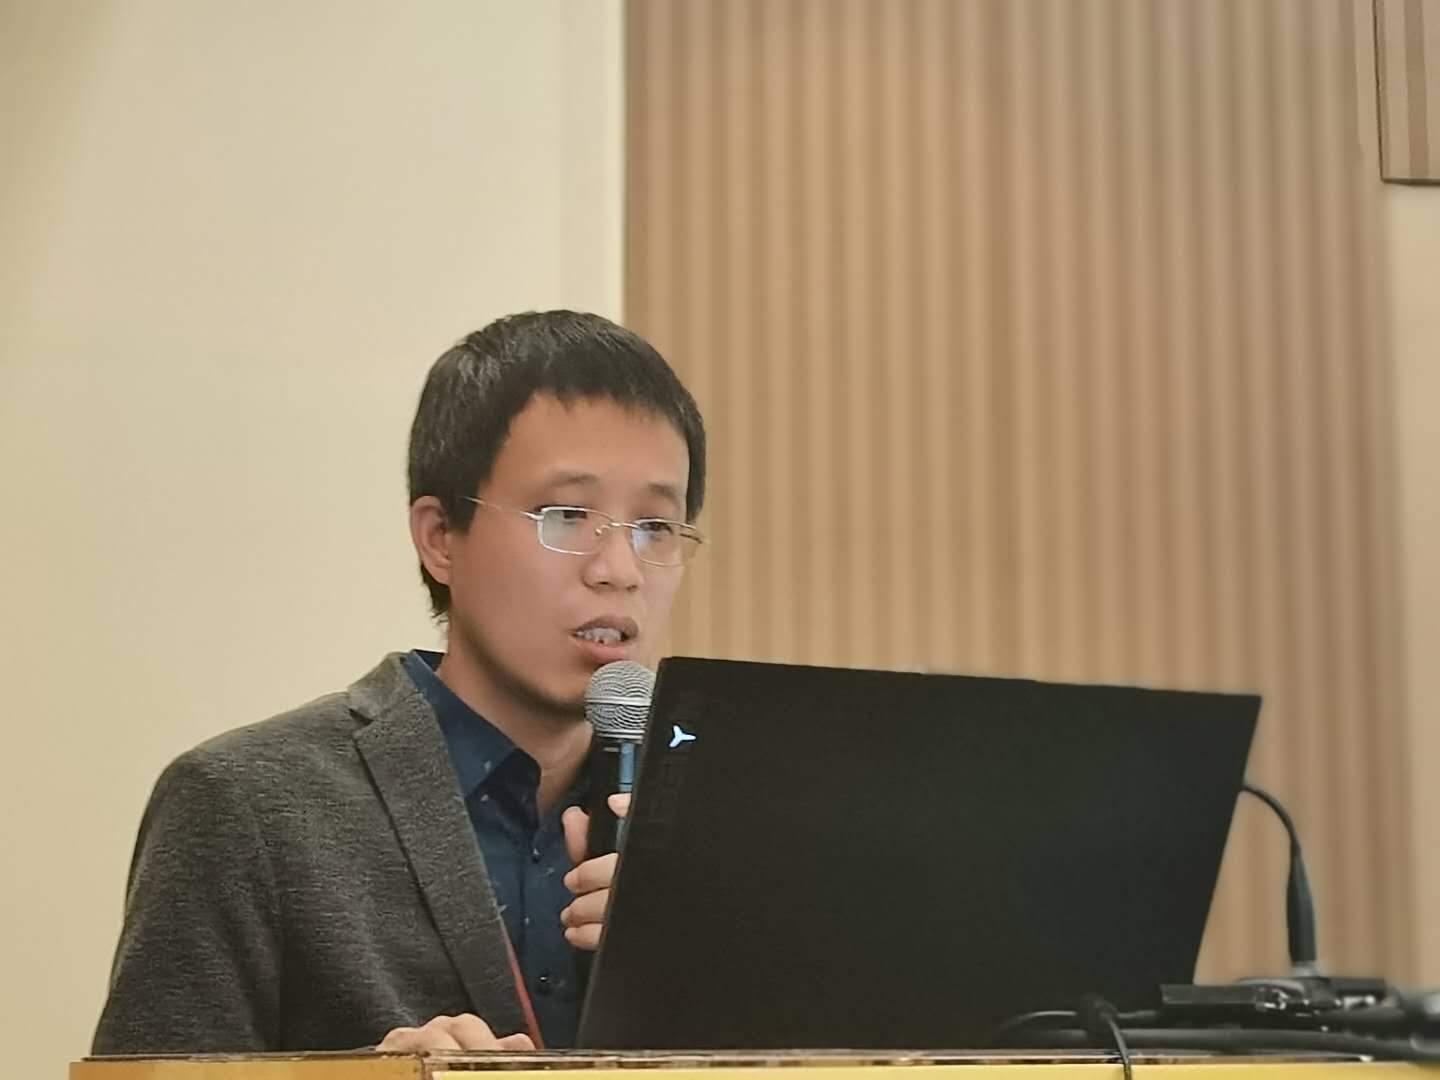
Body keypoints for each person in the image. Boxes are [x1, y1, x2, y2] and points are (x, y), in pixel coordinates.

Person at [92, 311, 707, 1054]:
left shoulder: (713, 832)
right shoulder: (247, 805)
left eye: (655, 527)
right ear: (440, 538)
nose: (620, 569)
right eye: (566, 515)